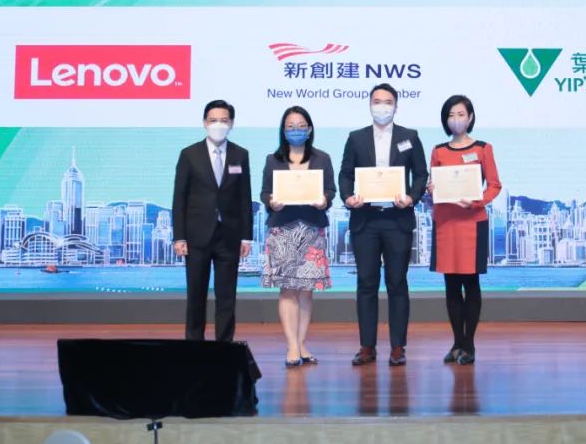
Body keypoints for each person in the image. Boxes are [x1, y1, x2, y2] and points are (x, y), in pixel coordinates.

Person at [339, 83, 428, 366]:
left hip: (397, 220)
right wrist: (348, 197)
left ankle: (398, 347)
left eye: (387, 102)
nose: (382, 106)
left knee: (397, 283)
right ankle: (367, 346)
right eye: (377, 101)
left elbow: (421, 174)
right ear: (369, 105)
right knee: (366, 283)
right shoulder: (356, 138)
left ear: (396, 106)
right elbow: (345, 174)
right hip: (365, 220)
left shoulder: (409, 137)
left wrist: (412, 197)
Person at [428, 95, 502, 365]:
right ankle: (457, 342)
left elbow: (494, 185)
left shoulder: (483, 149)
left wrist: (477, 201)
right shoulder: (438, 151)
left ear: (470, 117)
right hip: (446, 223)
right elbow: (433, 185)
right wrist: (431, 188)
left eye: (461, 114)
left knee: (471, 283)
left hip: (472, 222)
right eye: (451, 115)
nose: (456, 120)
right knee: (450, 285)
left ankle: (469, 344)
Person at [260, 106, 335, 367]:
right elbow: (264, 193)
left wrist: (324, 200)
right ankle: (292, 345)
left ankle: (302, 343)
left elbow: (330, 190)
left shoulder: (322, 158)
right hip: (283, 230)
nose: (296, 130)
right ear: (283, 130)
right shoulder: (273, 159)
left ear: (310, 129)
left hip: (312, 230)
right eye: (290, 126)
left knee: (306, 291)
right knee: (288, 290)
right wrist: (272, 202)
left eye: (301, 126)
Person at [172, 100, 253, 341]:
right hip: (196, 235)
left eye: (224, 120)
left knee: (227, 296)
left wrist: (247, 236)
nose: (218, 125)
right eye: (213, 120)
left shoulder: (240, 154)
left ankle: (224, 347)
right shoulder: (189, 154)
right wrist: (179, 237)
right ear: (204, 123)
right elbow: (179, 198)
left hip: (229, 235)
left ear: (232, 124)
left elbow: (245, 197)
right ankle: (194, 345)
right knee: (196, 294)